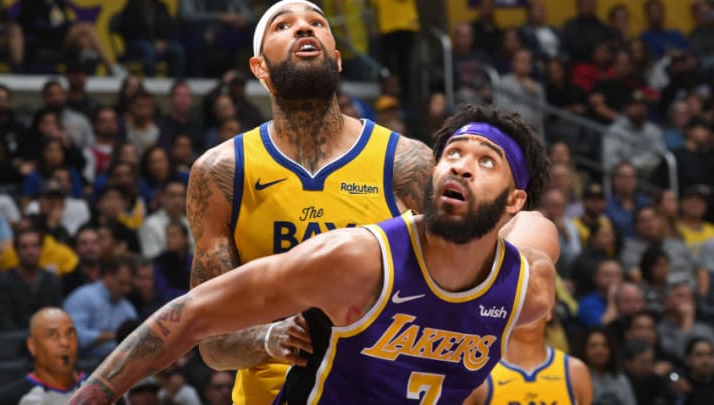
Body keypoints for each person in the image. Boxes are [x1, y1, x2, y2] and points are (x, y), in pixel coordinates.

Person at [69, 103, 558, 404]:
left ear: (514, 199)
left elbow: (539, 228)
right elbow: (193, 313)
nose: (461, 167)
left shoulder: (527, 288)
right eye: (452, 154)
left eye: (485, 161)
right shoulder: (356, 260)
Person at [192, 2, 434, 405]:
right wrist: (269, 338)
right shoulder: (221, 171)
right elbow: (212, 342)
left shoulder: (408, 162)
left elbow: (452, 298)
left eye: (316, 23)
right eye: (283, 26)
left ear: (337, 60)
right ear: (260, 69)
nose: (304, 29)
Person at [463, 310, 592, 405]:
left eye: (534, 301)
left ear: (549, 311)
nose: (529, 309)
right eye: (522, 303)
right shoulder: (480, 375)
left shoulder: (575, 371)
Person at [0, 307, 86, 404]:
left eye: (70, 333)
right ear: (32, 345)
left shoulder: (98, 386)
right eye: (52, 335)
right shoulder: (9, 399)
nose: (65, 342)